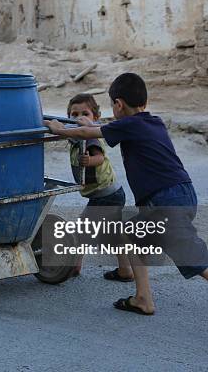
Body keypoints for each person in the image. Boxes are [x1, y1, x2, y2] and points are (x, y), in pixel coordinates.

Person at [44, 73, 208, 339]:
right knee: (132, 235)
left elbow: (89, 132)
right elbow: (105, 127)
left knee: (200, 264)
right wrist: (92, 123)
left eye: (113, 105)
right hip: (181, 195)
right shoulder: (151, 122)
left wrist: (59, 128)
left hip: (164, 204)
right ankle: (143, 298)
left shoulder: (129, 125)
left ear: (119, 104)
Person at [66, 93, 132, 281]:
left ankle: (74, 266)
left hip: (107, 195)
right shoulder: (76, 137)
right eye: (74, 114)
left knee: (81, 230)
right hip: (107, 193)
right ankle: (125, 270)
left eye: (85, 113)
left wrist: (89, 160)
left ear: (95, 118)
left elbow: (100, 157)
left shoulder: (90, 137)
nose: (79, 118)